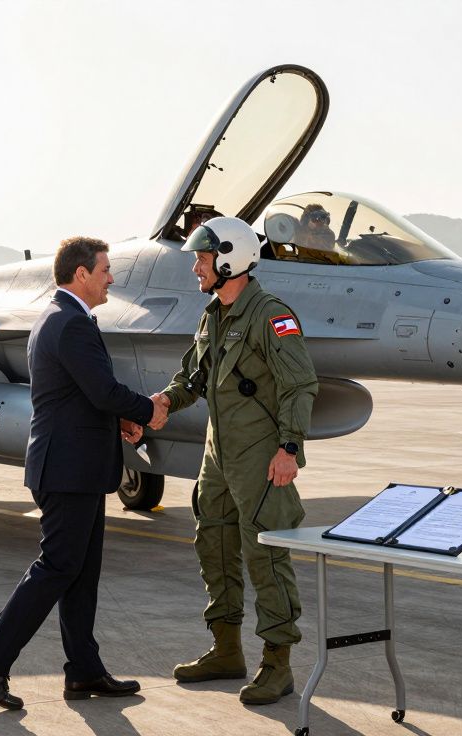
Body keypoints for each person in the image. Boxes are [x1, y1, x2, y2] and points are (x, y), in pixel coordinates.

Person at [0, 236, 168, 710]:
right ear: (81, 275)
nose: (111, 278)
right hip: (68, 471)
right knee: (57, 568)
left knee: (81, 573)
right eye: (105, 270)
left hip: (80, 470)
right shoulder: (70, 324)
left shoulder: (60, 319)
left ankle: (83, 670)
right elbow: (101, 389)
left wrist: (123, 417)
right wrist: (146, 410)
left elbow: (82, 395)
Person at [152, 216, 318, 705]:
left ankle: (277, 664)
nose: (196, 269)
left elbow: (300, 384)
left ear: (231, 260)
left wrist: (289, 449)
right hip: (218, 455)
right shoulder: (213, 314)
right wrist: (164, 401)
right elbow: (193, 378)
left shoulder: (271, 315)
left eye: (203, 260)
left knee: (265, 555)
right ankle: (226, 650)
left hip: (261, 458)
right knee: (215, 546)